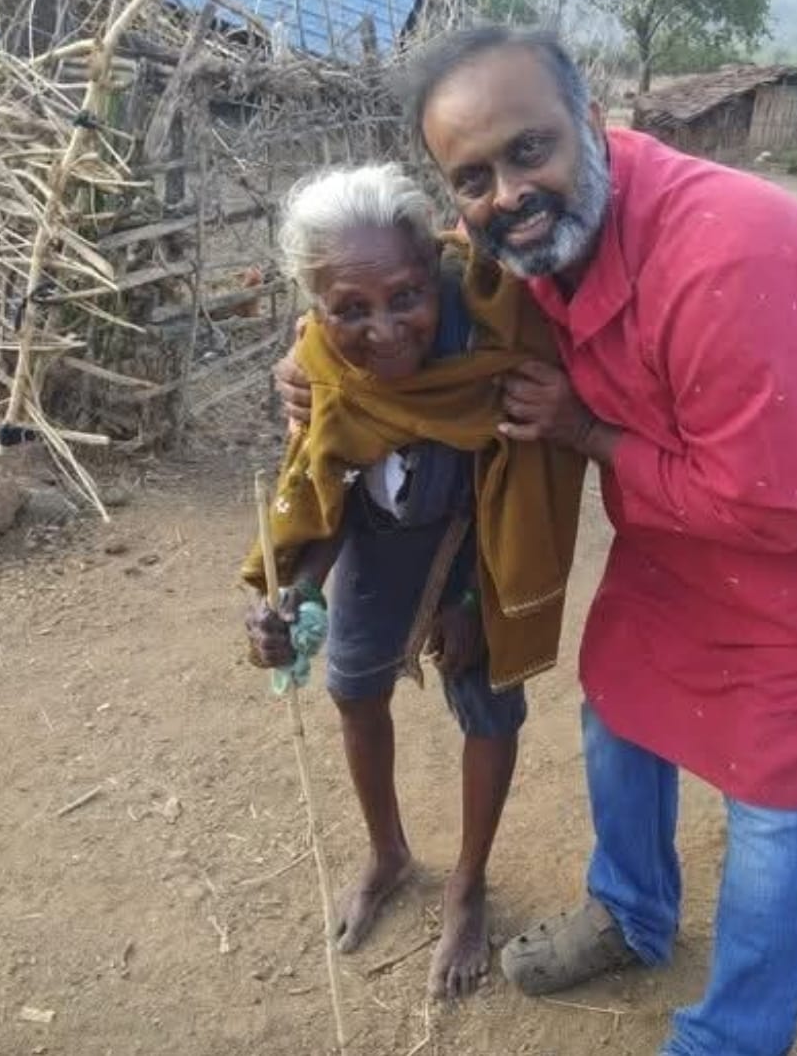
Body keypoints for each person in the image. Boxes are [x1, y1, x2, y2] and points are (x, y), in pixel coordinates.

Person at [277, 27, 797, 1056]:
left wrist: (583, 428)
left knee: (770, 796)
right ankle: (631, 910)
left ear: (593, 121)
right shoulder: (524, 245)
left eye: (529, 149)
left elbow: (768, 510)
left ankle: (731, 1036)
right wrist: (315, 366)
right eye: (473, 175)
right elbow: (394, 292)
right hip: (687, 506)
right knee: (619, 699)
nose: (509, 192)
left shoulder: (725, 251)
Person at [243, 163, 583, 1000]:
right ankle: (388, 852)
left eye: (404, 297)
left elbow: (510, 474)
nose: (385, 329)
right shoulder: (320, 355)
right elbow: (328, 481)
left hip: (480, 532)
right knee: (353, 688)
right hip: (379, 530)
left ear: (431, 268)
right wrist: (293, 595)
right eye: (349, 309)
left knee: (487, 698)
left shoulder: (492, 331)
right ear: (316, 307)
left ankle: (468, 884)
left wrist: (469, 598)